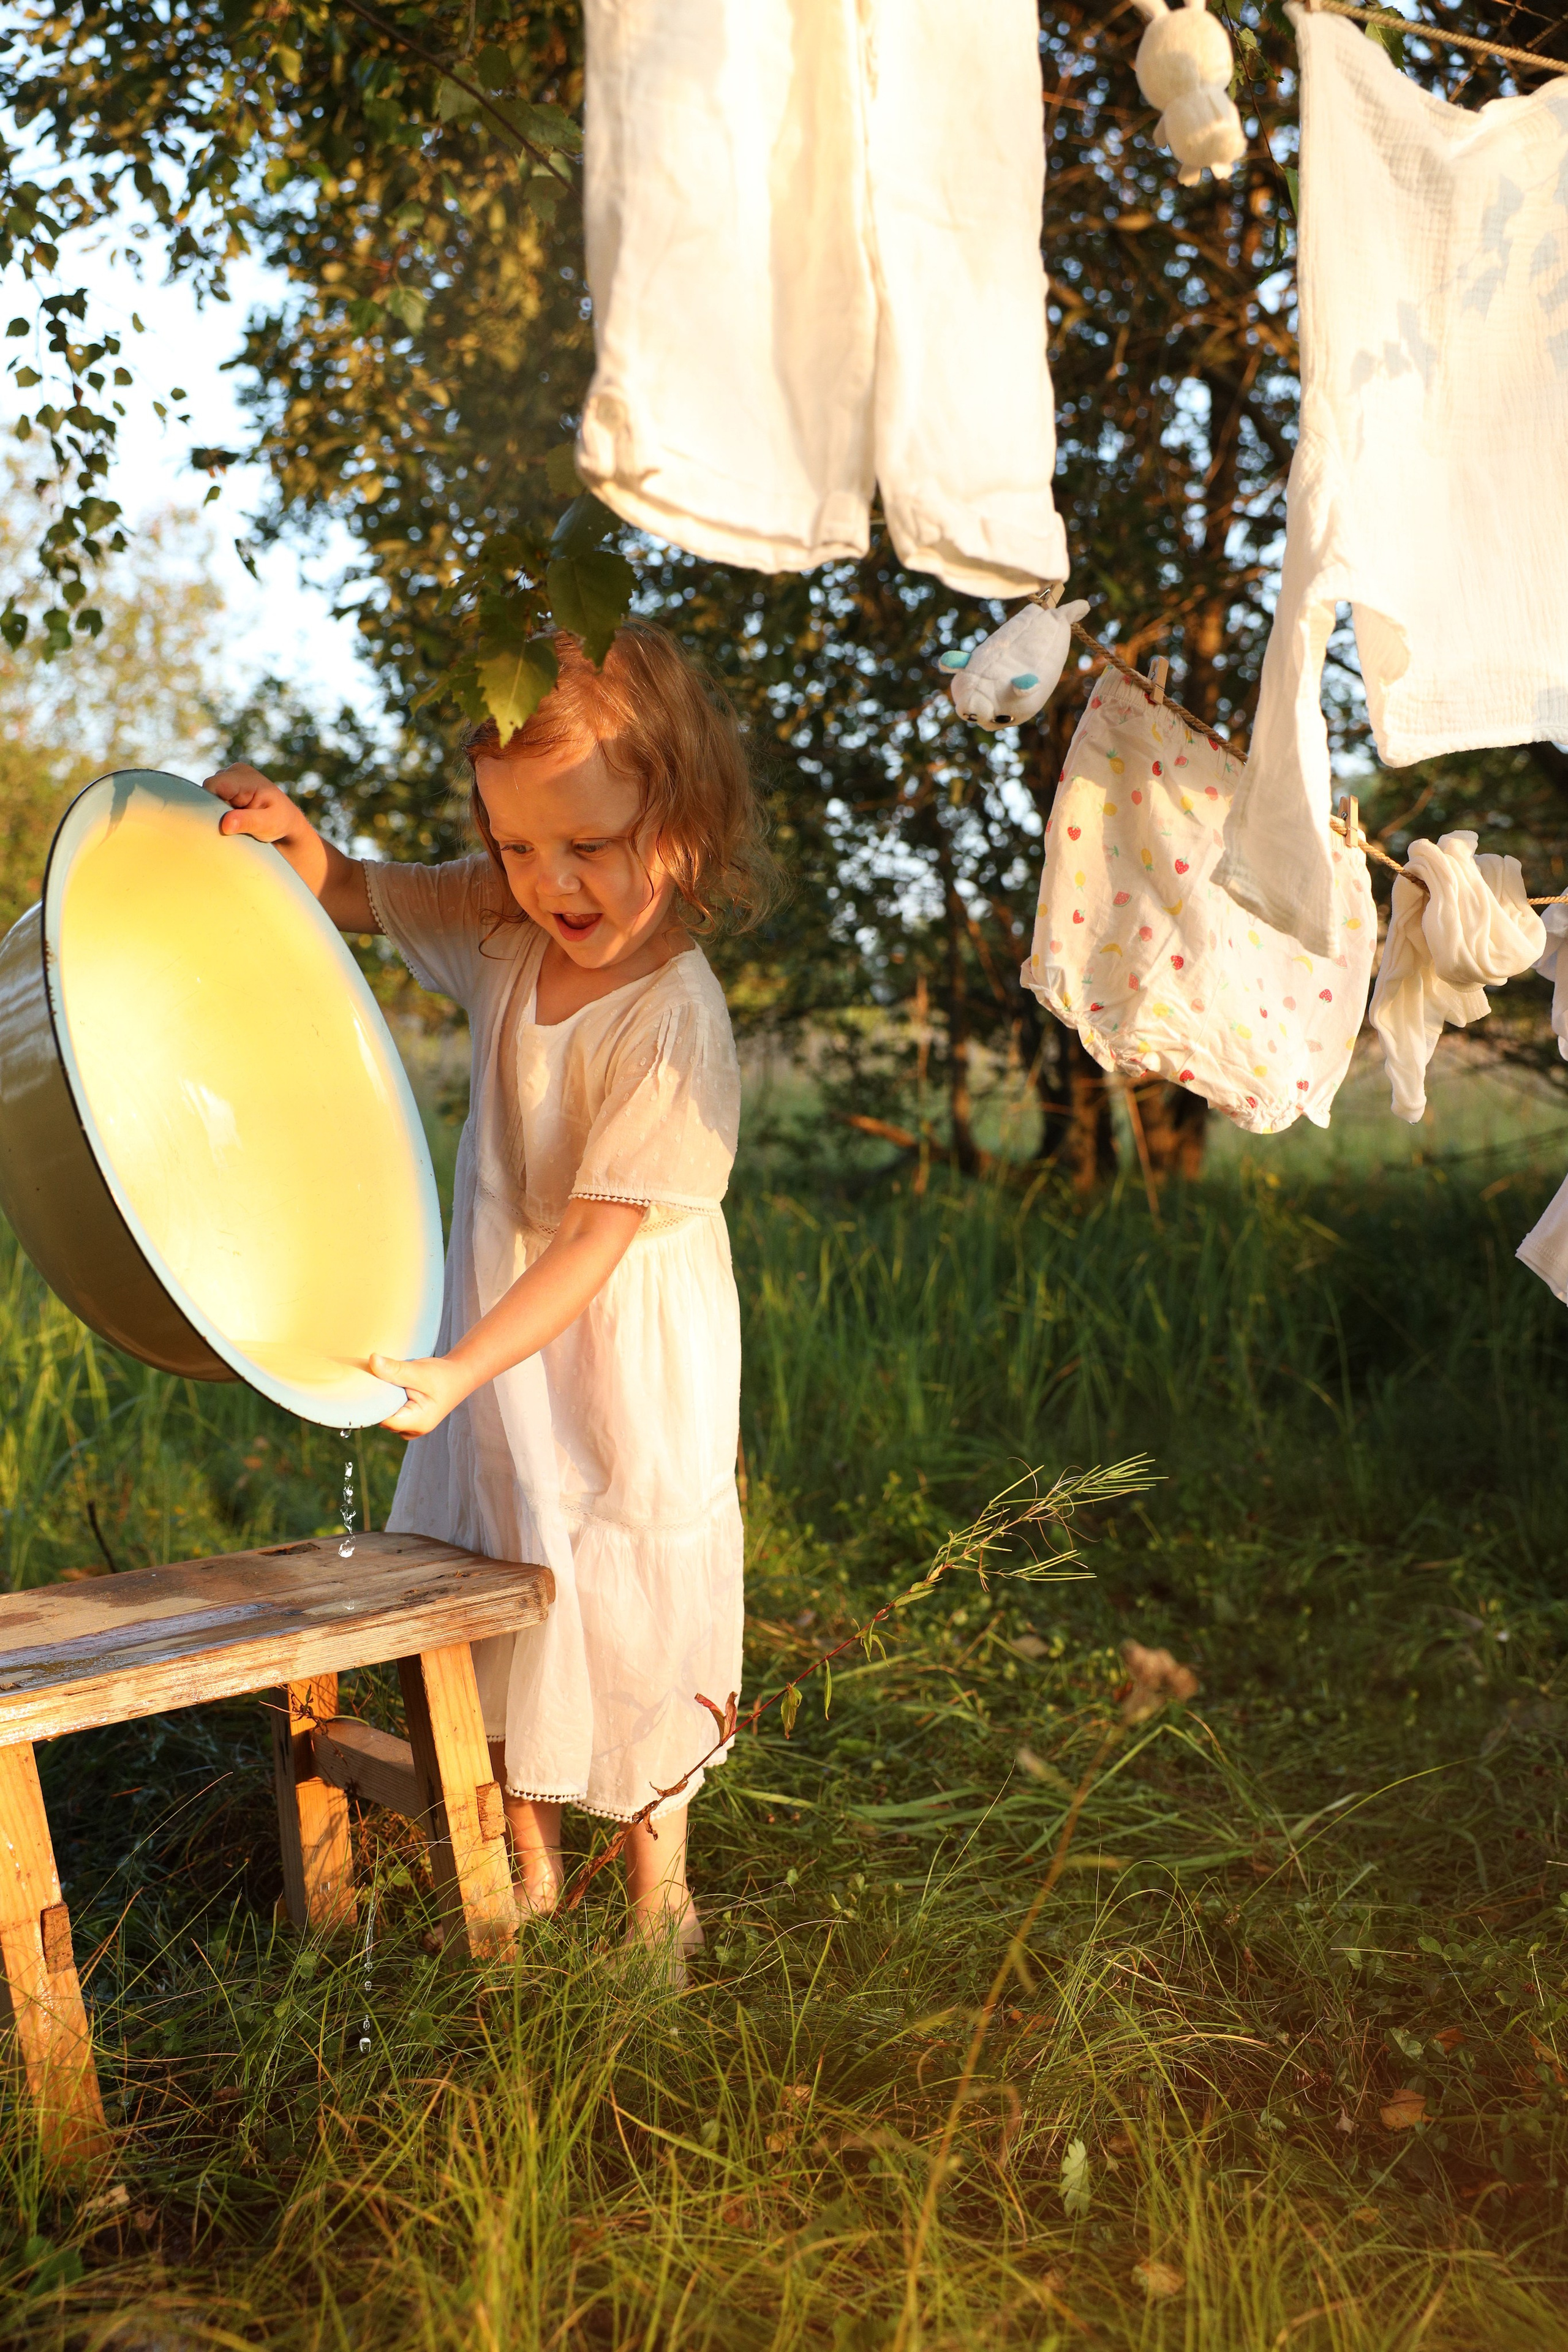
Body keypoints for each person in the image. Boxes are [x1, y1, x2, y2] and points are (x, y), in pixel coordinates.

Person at [202, 624, 774, 1978]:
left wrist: (456, 1369)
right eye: (518, 847)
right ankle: (524, 1863)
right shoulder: (504, 927)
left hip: (615, 1344)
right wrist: (303, 845)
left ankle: (658, 1895)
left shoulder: (671, 1016)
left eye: (586, 845)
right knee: (504, 1566)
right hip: (504, 1340)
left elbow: (594, 1239)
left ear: (678, 829)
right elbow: (357, 890)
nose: (549, 882)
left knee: (626, 1585)